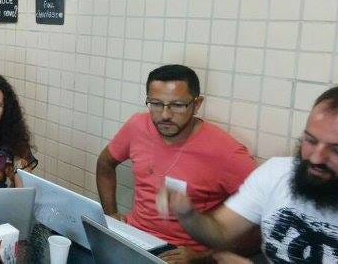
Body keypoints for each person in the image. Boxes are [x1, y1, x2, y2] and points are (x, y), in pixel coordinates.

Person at [164, 84, 338, 263]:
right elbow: (220, 231)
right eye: (310, 140)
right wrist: (188, 214)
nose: (315, 158)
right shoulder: (277, 173)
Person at [95, 64, 258, 262]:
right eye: (156, 104)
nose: (165, 115)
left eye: (178, 105)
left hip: (183, 256)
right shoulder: (137, 126)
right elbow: (105, 163)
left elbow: (263, 226)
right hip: (134, 238)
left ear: (197, 104)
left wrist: (203, 258)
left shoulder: (227, 153)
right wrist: (111, 214)